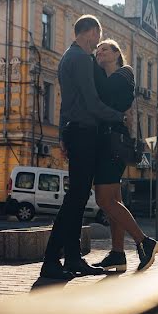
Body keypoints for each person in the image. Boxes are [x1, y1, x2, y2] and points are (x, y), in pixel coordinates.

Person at [40, 15, 126, 280]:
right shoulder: (79, 59)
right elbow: (90, 102)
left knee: (76, 200)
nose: (98, 42)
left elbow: (67, 104)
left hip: (76, 132)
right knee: (75, 199)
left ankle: (74, 259)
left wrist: (63, 135)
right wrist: (118, 116)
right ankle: (52, 261)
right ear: (90, 32)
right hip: (84, 133)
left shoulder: (70, 56)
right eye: (97, 37)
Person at [92, 39, 158, 272]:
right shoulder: (105, 77)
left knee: (104, 200)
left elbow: (107, 91)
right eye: (97, 50)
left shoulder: (125, 73)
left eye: (104, 50)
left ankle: (144, 242)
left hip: (114, 143)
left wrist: (91, 68)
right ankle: (118, 254)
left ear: (116, 54)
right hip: (107, 141)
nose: (99, 52)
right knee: (115, 202)